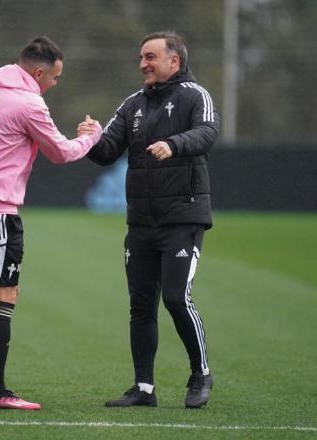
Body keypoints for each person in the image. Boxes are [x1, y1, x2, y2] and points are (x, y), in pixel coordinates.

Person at [0, 36, 102, 410]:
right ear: (38, 72)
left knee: (3, 293)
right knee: (3, 296)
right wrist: (92, 137)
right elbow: (61, 153)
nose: (54, 84)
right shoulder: (30, 103)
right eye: (55, 77)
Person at [81, 31, 219, 409]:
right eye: (141, 57)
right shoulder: (133, 104)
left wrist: (174, 144)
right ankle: (144, 389)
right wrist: (91, 139)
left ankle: (200, 374)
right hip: (141, 223)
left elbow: (208, 133)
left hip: (182, 220)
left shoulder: (196, 95)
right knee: (141, 306)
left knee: (176, 298)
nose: (143, 63)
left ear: (174, 61)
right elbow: (109, 151)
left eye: (150, 56)